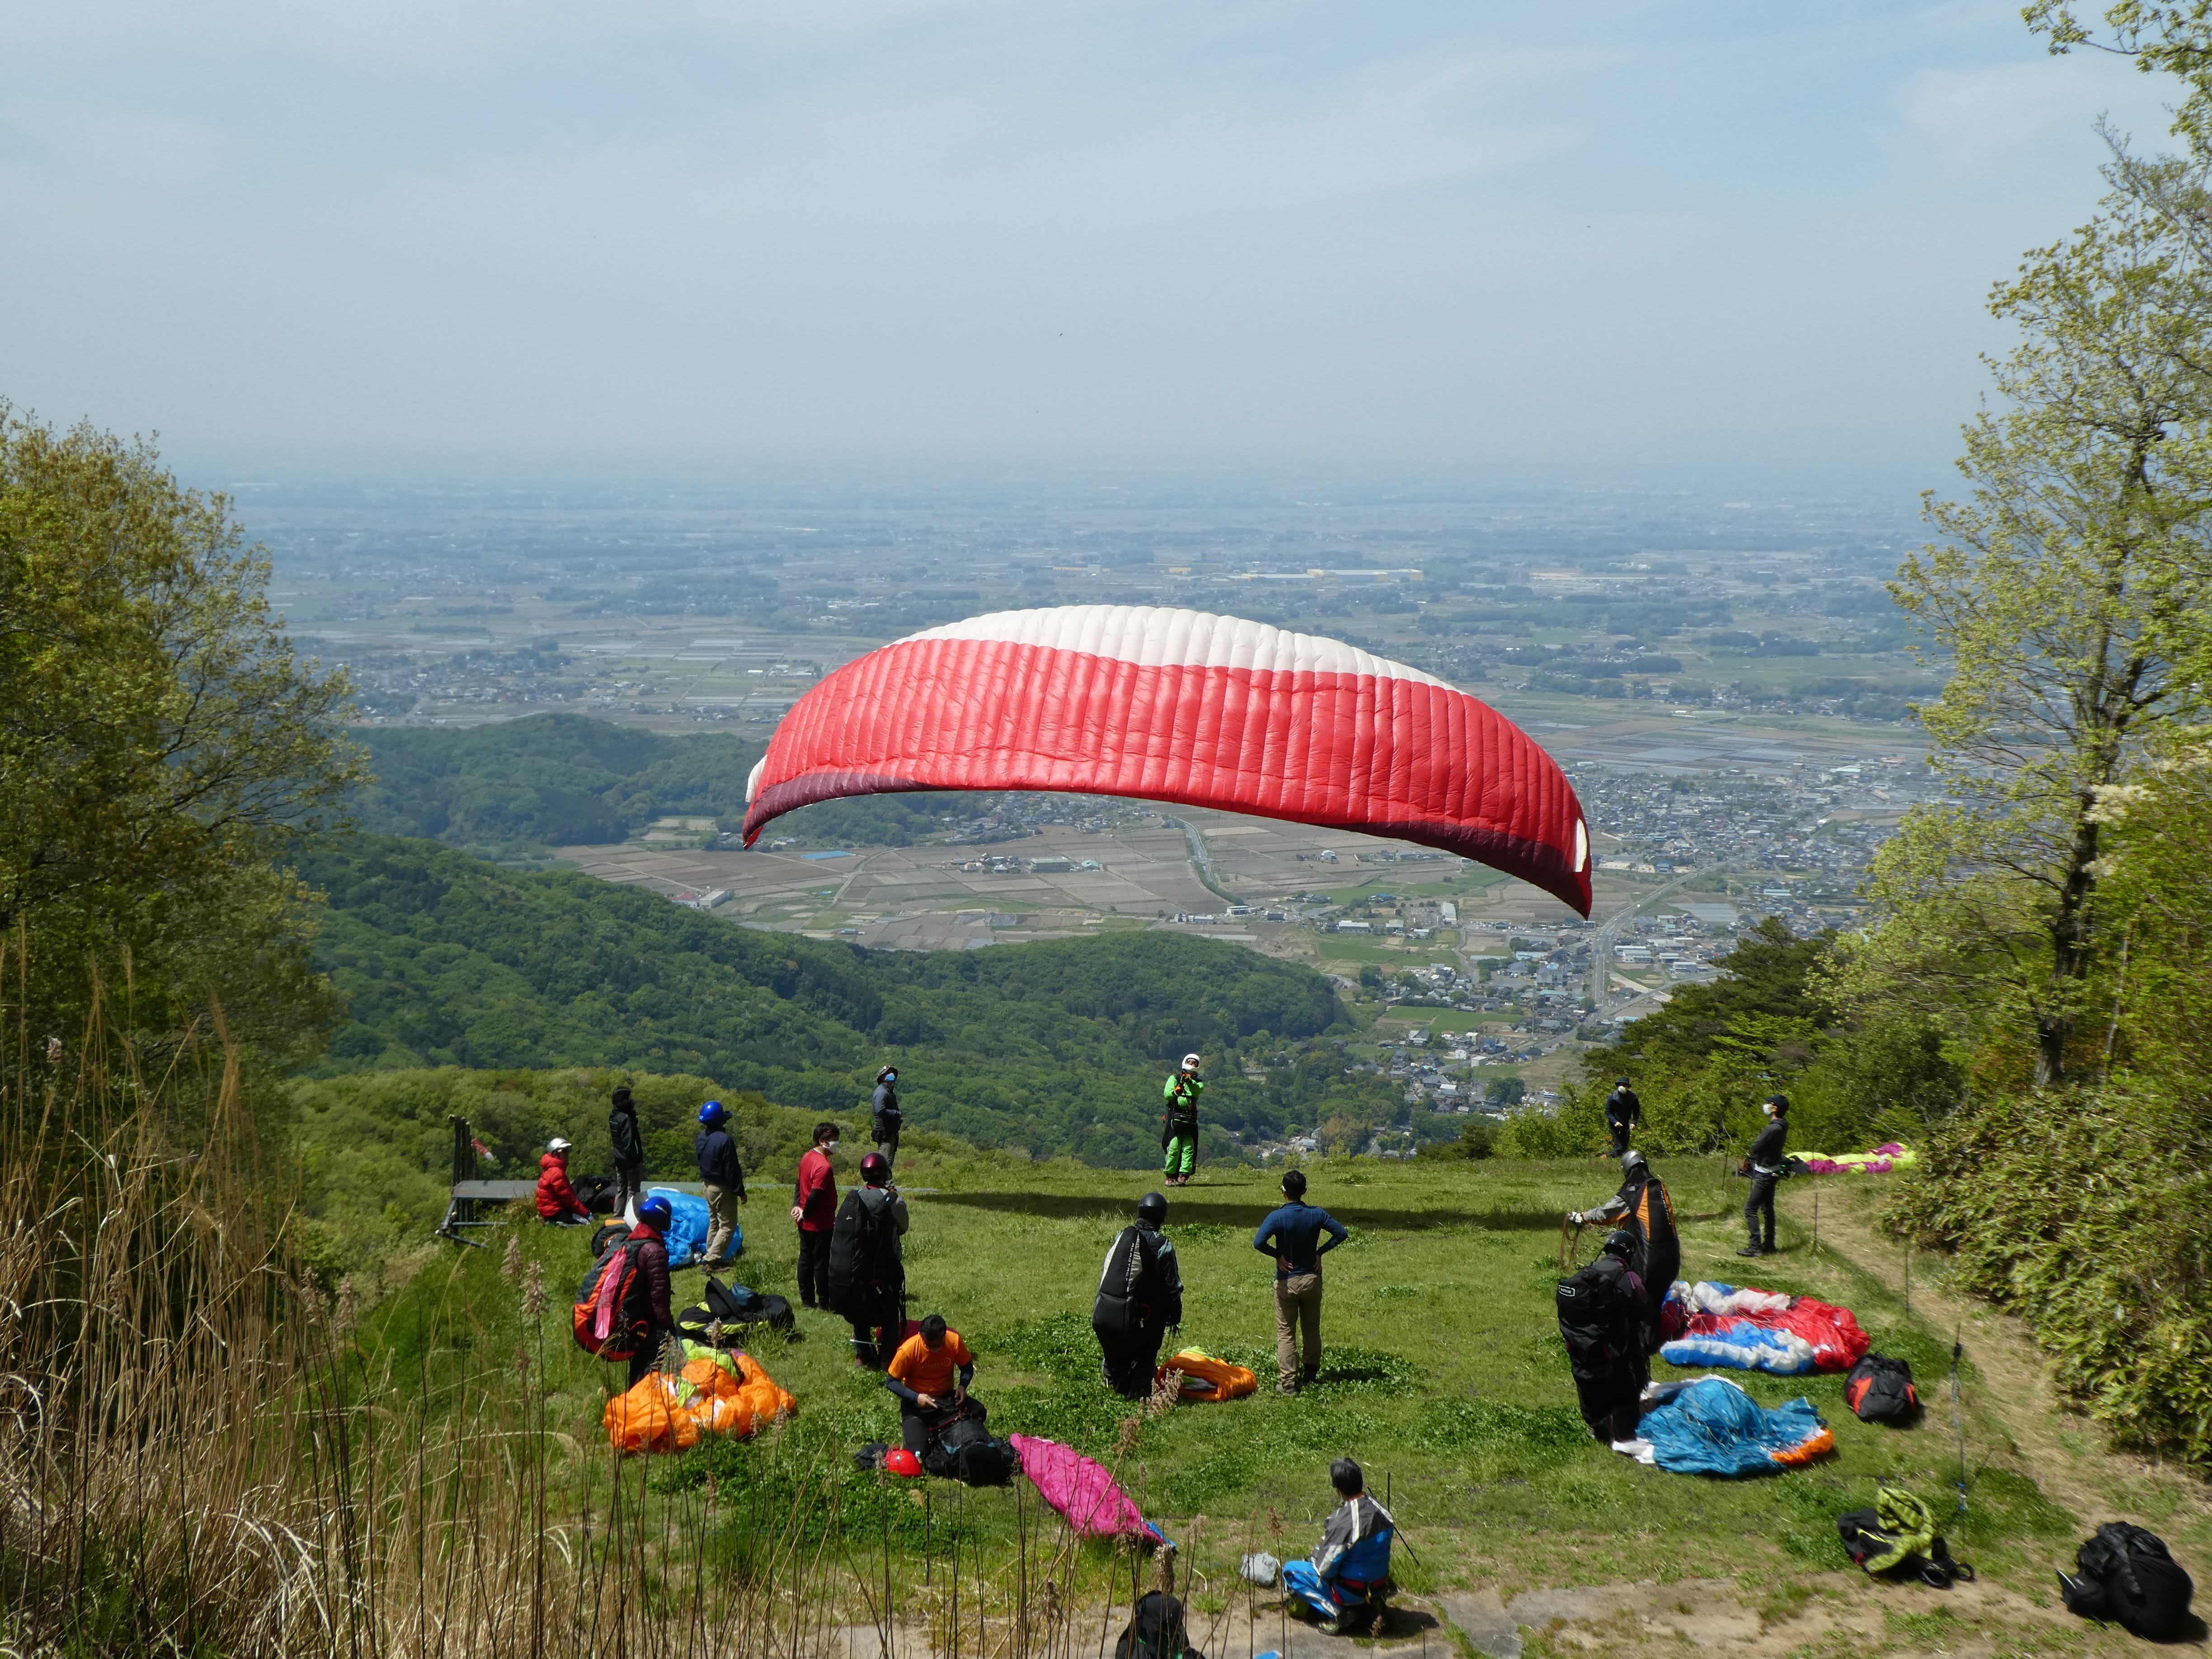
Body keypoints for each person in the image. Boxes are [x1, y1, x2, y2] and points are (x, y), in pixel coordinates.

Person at [1570, 1149, 1679, 1350]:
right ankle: (1654, 1337)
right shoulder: (1656, 1185)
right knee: (1654, 1300)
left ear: (1626, 1168)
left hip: (1647, 1262)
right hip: (1672, 1260)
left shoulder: (1633, 1188)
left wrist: (1583, 1217)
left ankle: (1641, 1343)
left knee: (1635, 1299)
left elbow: (1606, 1213)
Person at [1251, 1168, 1348, 1395]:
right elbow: (1341, 1233)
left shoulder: (1277, 1217)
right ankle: (1312, 1372)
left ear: (1283, 1191)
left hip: (1287, 1282)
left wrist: (1278, 1256)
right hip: (1312, 1280)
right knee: (1312, 1329)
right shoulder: (1317, 1214)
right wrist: (1320, 1252)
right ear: (1304, 1191)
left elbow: (1258, 1243)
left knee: (1287, 1333)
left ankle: (1288, 1384)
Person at [1280, 1458, 1397, 1636]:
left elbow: (1325, 1569)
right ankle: (1372, 1607)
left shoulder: (1344, 1522)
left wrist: (1316, 1555)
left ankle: (1340, 1613)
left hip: (1351, 1591)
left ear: (1338, 1490)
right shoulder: (1382, 1510)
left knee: (1290, 1571)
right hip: (1379, 1586)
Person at [1092, 1190, 1183, 1397]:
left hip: (1113, 1309)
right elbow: (1172, 1285)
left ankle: (1113, 1381)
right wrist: (1175, 1312)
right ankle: (1139, 1388)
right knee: (1147, 1350)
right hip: (1146, 1315)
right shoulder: (1162, 1245)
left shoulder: (1124, 1237)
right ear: (1161, 1216)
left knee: (1118, 1347)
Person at [1559, 1228, 1646, 1444]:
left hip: (1584, 1349)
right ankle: (1623, 1431)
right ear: (1629, 1255)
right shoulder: (1628, 1278)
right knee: (1625, 1387)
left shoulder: (1589, 1273)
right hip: (1615, 1351)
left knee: (1593, 1387)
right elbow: (1644, 1308)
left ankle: (1598, 1429)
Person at [829, 1151, 909, 1367]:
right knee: (890, 1312)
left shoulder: (855, 1198)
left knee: (860, 1310)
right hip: (885, 1267)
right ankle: (887, 1359)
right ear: (884, 1173)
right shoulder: (894, 1200)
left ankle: (862, 1355)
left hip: (857, 1265)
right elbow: (904, 1228)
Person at [884, 1312, 982, 1455]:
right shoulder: (908, 1350)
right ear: (921, 1336)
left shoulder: (954, 1340)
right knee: (918, 1453)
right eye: (929, 1346)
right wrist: (916, 1397)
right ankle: (930, 1432)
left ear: (945, 1335)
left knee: (979, 1411)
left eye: (938, 1345)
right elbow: (891, 1382)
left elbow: (966, 1366)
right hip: (916, 1404)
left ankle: (941, 1432)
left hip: (946, 1399)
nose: (934, 1350)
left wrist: (962, 1386)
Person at [623, 1195, 678, 1386]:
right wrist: (667, 1324)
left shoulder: (634, 1239)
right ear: (661, 1219)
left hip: (633, 1315)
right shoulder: (655, 1252)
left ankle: (633, 1396)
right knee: (651, 1361)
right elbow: (659, 1295)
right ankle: (643, 1401)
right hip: (649, 1319)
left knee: (638, 1360)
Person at [791, 1121, 841, 1310]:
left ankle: (806, 1301)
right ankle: (824, 1302)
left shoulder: (807, 1158)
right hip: (820, 1223)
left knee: (805, 1259)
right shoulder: (823, 1167)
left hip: (805, 1222)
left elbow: (799, 1184)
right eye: (834, 1140)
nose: (837, 1144)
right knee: (821, 1262)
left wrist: (798, 1206)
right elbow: (815, 1196)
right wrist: (805, 1212)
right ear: (823, 1141)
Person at [694, 1100, 748, 1270]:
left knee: (714, 1223)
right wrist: (740, 1191)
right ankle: (711, 1261)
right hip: (721, 1188)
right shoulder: (725, 1140)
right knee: (727, 1226)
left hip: (707, 1186)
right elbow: (732, 1169)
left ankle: (711, 1255)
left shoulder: (702, 1137)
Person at [1739, 1093, 1789, 1258]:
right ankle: (1769, 1245)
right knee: (1768, 1210)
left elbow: (1755, 1147)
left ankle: (1755, 1246)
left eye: (1769, 1103)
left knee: (1750, 1209)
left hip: (1765, 1173)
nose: (1766, 1106)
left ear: (1776, 1108)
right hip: (1773, 1171)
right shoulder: (1782, 1126)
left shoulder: (1772, 1129)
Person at [1161, 1053, 1204, 1186]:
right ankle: (1170, 1177)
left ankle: (1183, 1176)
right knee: (1174, 1147)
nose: (1192, 1065)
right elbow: (1167, 1095)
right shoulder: (1175, 1079)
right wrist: (1176, 1092)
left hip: (1190, 1120)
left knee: (1189, 1148)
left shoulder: (1198, 1083)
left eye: (1194, 1064)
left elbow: (1197, 1091)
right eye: (1190, 1062)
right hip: (1176, 1119)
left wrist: (1190, 1082)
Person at [608, 1084, 646, 1223]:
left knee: (621, 1188)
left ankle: (617, 1215)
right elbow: (630, 1142)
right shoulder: (626, 1119)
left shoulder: (615, 1116)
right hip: (630, 1160)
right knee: (633, 1190)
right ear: (624, 1100)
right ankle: (631, 1218)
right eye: (629, 1098)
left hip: (619, 1158)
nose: (632, 1100)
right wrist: (637, 1161)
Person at [535, 1138, 592, 1227]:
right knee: (587, 1223)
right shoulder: (557, 1173)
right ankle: (556, 1224)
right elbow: (569, 1200)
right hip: (556, 1211)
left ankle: (552, 1222)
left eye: (568, 1151)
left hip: (550, 1212)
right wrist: (587, 1214)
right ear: (555, 1154)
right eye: (564, 1151)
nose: (568, 1154)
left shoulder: (550, 1170)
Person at [870, 1066, 903, 1173]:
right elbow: (881, 1111)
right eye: (888, 1073)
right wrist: (896, 1114)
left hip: (890, 1132)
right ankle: (887, 1186)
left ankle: (885, 1185)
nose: (892, 1075)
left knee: (887, 1161)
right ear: (883, 1077)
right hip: (885, 1133)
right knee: (885, 1162)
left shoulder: (888, 1092)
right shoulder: (882, 1093)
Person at [1603, 1077, 1643, 1158]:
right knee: (1619, 1146)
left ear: (1628, 1087)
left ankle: (1615, 1159)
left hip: (1626, 1124)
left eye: (1624, 1085)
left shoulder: (1633, 1098)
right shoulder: (1613, 1097)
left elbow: (1637, 1111)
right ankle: (1607, 1157)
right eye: (1620, 1085)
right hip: (1615, 1125)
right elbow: (1608, 1111)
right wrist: (1615, 1122)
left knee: (1624, 1147)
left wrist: (1634, 1122)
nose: (1622, 1087)